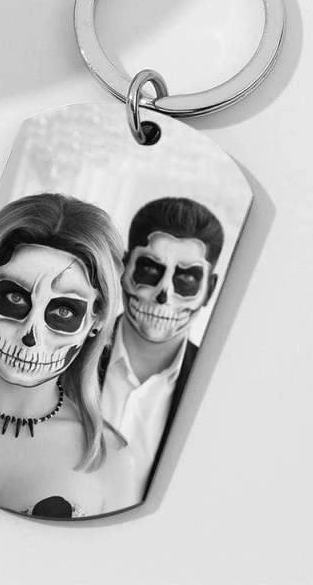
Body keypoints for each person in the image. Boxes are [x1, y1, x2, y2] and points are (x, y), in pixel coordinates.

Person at [0, 192, 140, 518]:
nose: (30, 335)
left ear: (97, 320)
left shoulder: (112, 463)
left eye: (63, 311)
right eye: (16, 299)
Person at [99, 197, 225, 501]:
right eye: (150, 269)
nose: (163, 295)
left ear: (209, 289)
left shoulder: (218, 391)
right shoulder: (68, 353)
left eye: (186, 278)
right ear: (124, 267)